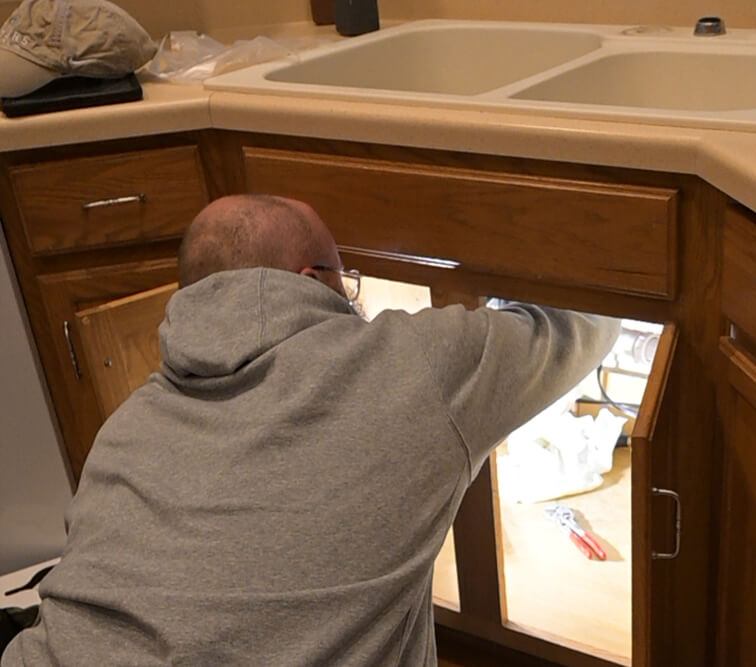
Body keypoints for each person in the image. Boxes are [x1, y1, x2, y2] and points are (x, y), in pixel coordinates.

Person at [1, 194, 620, 666]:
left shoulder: (126, 424)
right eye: (345, 279)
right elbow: (588, 319)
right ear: (311, 280)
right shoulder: (415, 366)